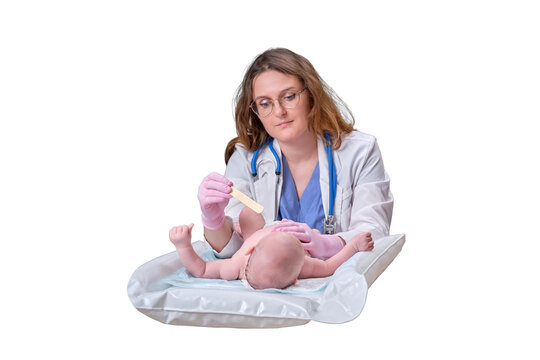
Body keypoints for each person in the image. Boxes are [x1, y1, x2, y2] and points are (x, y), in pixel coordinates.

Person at [198, 48, 393, 260]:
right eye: (265, 103)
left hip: (334, 283)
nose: (279, 111)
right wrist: (213, 220)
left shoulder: (360, 151)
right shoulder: (245, 158)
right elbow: (232, 253)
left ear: (311, 94)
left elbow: (375, 232)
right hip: (260, 289)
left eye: (289, 97)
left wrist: (329, 244)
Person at [169, 207, 374, 290]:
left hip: (254, 234)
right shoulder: (301, 265)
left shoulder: (237, 264)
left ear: (250, 251)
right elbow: (330, 266)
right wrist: (353, 246)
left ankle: (245, 232)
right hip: (273, 232)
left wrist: (183, 245)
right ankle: (245, 230)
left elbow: (201, 269)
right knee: (251, 215)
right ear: (295, 279)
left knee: (249, 214)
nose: (282, 230)